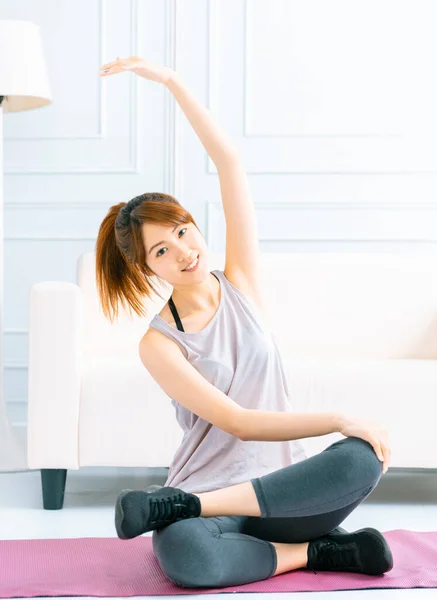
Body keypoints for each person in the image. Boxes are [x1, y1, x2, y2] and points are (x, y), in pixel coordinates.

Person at [96, 56, 393, 589]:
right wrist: (336, 416)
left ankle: (265, 535)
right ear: (148, 267)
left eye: (184, 231)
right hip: (212, 499)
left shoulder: (242, 282)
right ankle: (315, 552)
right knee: (190, 558)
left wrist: (171, 82)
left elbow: (230, 162)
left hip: (285, 491)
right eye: (163, 249)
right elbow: (239, 422)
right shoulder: (158, 344)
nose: (184, 251)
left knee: (361, 457)